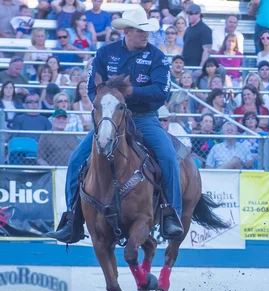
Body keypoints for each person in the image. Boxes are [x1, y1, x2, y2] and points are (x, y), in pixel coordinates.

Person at [46, 7, 185, 243]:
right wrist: (105, 105)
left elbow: (162, 92)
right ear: (127, 31)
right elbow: (92, 87)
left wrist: (132, 92)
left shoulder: (157, 57)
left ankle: (172, 215)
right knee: (76, 160)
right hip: (110, 119)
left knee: (169, 158)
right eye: (141, 31)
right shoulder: (105, 54)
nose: (146, 35)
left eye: (146, 31)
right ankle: (72, 219)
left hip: (144, 118)